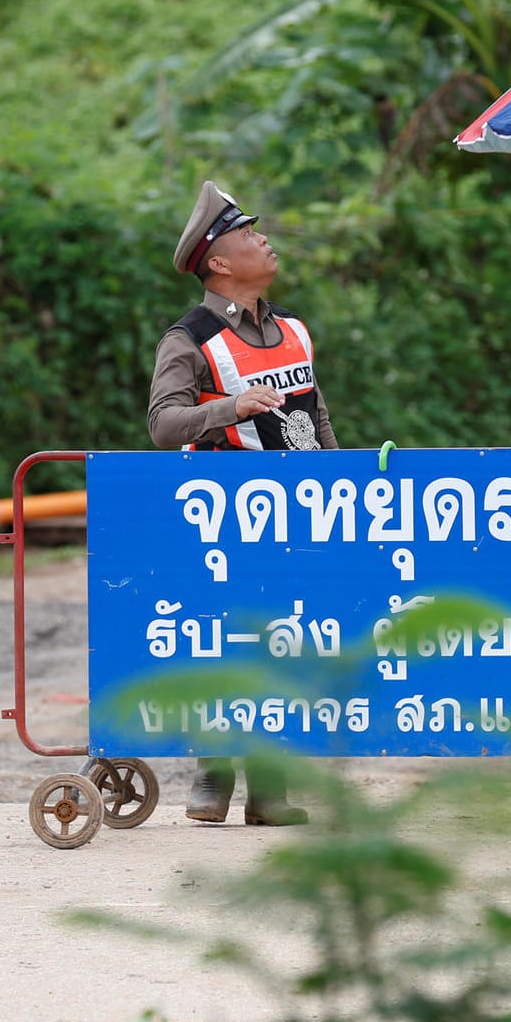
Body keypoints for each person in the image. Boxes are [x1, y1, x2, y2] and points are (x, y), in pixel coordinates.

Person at [146, 180, 337, 826]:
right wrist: (230, 408)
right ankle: (213, 774)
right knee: (227, 645)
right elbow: (163, 425)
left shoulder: (296, 330)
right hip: (227, 524)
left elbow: (318, 418)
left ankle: (270, 791)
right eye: (249, 234)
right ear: (220, 263)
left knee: (287, 646)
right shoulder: (190, 338)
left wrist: (346, 488)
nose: (265, 239)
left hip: (303, 519)